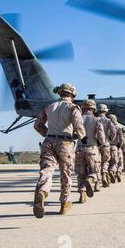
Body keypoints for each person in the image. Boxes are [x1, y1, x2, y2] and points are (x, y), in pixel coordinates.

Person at [33, 83, 86, 218]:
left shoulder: (49, 106)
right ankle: (64, 204)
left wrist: (48, 134)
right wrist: (82, 137)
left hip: (48, 142)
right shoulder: (73, 107)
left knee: (46, 170)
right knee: (66, 173)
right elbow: (78, 124)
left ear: (60, 93)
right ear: (72, 94)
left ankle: (42, 192)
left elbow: (37, 125)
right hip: (65, 143)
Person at [75, 100, 105, 203]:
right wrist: (101, 143)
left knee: (81, 173)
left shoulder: (78, 119)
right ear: (93, 109)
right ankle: (91, 179)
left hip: (79, 148)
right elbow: (101, 136)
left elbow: (73, 133)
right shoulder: (97, 120)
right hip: (92, 148)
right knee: (94, 171)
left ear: (83, 108)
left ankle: (82, 194)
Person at [97, 104, 116, 187]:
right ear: (106, 111)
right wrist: (111, 138)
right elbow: (113, 131)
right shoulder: (108, 121)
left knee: (97, 163)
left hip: (96, 144)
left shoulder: (94, 119)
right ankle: (104, 174)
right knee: (105, 161)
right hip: (106, 144)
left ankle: (97, 183)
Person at [108, 114, 123, 183]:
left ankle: (107, 178)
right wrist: (120, 145)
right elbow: (121, 138)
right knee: (115, 162)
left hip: (106, 146)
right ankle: (113, 171)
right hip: (114, 146)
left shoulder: (105, 126)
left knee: (106, 163)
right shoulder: (118, 127)